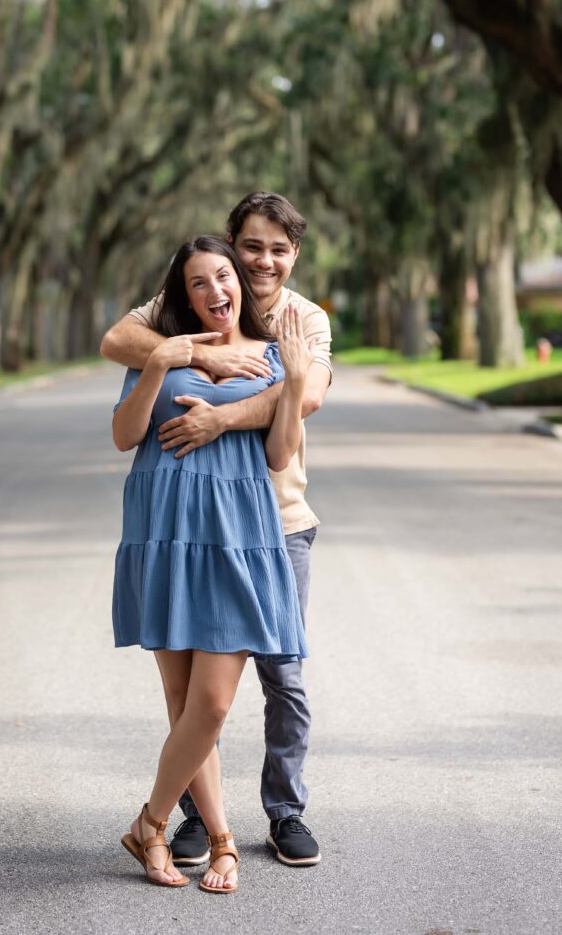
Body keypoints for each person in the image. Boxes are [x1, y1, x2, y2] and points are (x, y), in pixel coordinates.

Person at [102, 192, 332, 867]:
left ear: (290, 257)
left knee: (273, 679)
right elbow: (118, 343)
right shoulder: (177, 312)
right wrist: (186, 358)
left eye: (275, 250)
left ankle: (282, 814)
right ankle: (201, 827)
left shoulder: (300, 321)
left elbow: (304, 399)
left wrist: (223, 414)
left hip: (267, 523)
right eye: (249, 247)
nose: (259, 262)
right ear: (232, 245)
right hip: (171, 526)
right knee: (186, 694)